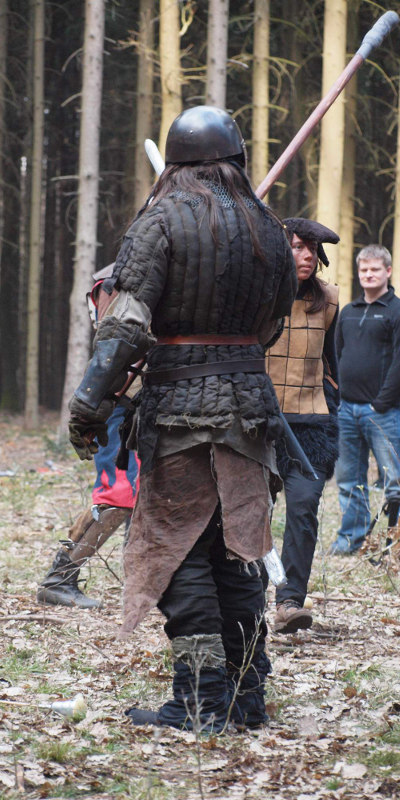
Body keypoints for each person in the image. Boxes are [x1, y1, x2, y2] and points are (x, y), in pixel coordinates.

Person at [67, 105, 297, 732]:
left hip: (181, 416)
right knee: (237, 552)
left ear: (174, 163)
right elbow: (273, 322)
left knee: (180, 552)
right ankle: (246, 696)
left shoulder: (159, 221)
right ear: (237, 159)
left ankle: (201, 699)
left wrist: (90, 404)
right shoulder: (269, 226)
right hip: (249, 410)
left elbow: (124, 326)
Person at [37, 269, 140, 609]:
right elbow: (114, 346)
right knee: (119, 495)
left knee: (144, 493)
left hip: (141, 404)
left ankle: (142, 583)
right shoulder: (116, 281)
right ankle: (59, 578)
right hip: (119, 404)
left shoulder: (142, 273)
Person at [265, 218, 340, 634]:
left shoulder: (329, 301)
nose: (306, 255)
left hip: (310, 428)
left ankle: (290, 600)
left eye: (311, 248)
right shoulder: (257, 296)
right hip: (259, 424)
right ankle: (246, 596)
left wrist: (332, 410)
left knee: (304, 509)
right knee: (252, 513)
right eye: (297, 246)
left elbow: (332, 365)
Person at [331, 244, 400, 554]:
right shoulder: (348, 312)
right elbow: (336, 356)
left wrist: (381, 402)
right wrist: (337, 399)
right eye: (364, 269)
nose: (368, 274)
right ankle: (350, 541)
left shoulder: (396, 311)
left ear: (388, 271)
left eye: (375, 269)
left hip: (383, 412)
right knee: (348, 481)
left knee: (395, 482)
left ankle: (394, 545)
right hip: (346, 410)